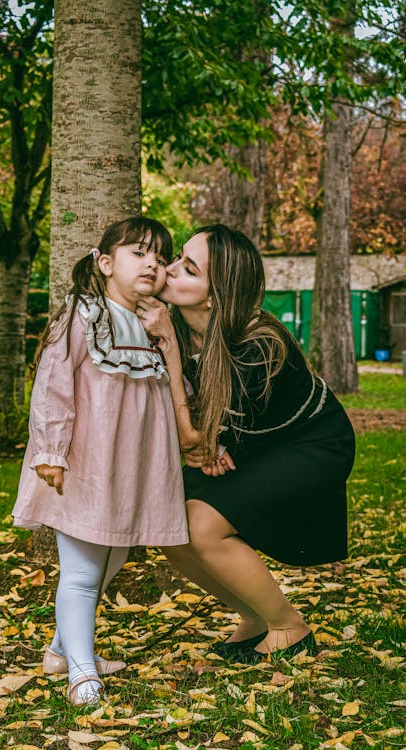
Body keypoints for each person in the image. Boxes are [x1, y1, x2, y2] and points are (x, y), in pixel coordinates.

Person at [136, 224, 355, 663]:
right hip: (254, 442)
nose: (171, 270)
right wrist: (204, 447)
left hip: (313, 444)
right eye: (178, 257)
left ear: (216, 295)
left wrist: (171, 353)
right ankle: (253, 617)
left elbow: (200, 432)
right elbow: (197, 438)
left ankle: (289, 627)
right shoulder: (177, 320)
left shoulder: (260, 343)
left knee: (201, 526)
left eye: (189, 269)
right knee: (169, 529)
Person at [12, 217, 188, 705]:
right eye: (139, 252)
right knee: (84, 573)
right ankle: (83, 673)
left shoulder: (154, 323)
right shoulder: (84, 316)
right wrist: (50, 453)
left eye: (160, 256)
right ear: (106, 263)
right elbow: (53, 385)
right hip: (86, 461)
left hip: (133, 467)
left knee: (112, 558)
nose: (152, 262)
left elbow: (171, 393)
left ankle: (61, 651)